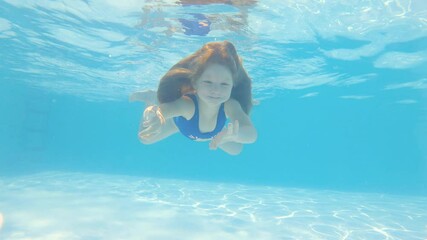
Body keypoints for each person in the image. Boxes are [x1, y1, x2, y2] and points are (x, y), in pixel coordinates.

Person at [131, 41, 257, 155]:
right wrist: (157, 115)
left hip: (216, 133)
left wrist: (234, 136)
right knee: (145, 138)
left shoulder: (230, 105)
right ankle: (150, 98)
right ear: (195, 83)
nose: (216, 90)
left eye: (224, 84)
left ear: (232, 86)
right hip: (178, 125)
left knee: (236, 150)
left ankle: (223, 136)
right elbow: (165, 110)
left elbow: (251, 134)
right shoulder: (188, 105)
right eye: (208, 82)